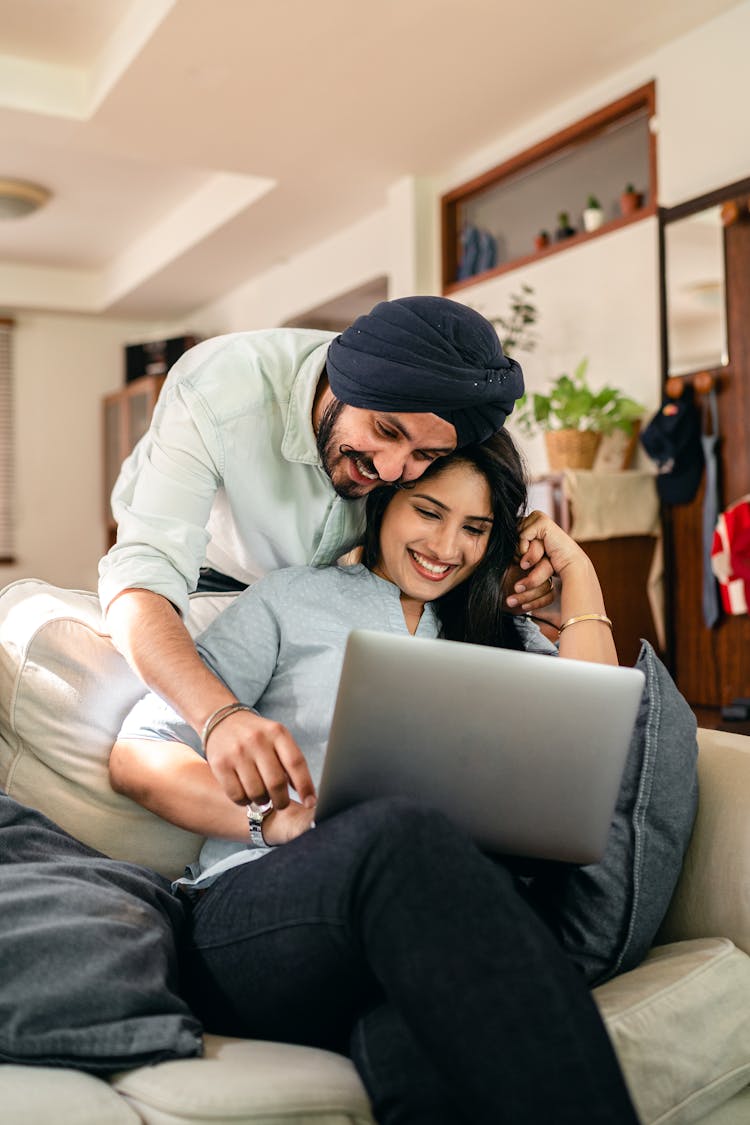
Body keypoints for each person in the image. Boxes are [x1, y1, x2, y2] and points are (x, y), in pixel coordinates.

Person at [109, 434, 637, 1125]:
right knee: (402, 828)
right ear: (384, 499)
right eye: (429, 511)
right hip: (257, 919)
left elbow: (591, 747)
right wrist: (276, 819)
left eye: (476, 528)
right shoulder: (292, 598)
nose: (447, 545)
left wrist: (580, 573)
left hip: (419, 938)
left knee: (427, 1051)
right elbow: (138, 754)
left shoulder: (495, 631)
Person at [99, 296, 556, 810]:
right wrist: (220, 716)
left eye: (424, 457)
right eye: (386, 431)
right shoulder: (219, 390)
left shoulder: (421, 438)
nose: (390, 471)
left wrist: (509, 560)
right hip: (202, 581)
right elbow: (145, 573)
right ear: (341, 383)